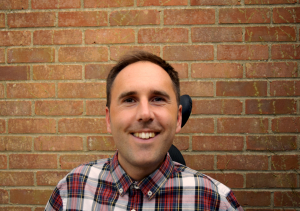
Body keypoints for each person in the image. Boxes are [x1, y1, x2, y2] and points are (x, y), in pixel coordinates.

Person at [45, 51, 243, 211]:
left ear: (178, 118)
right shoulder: (71, 192)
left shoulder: (215, 202)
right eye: (129, 100)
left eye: (157, 99)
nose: (145, 114)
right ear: (108, 119)